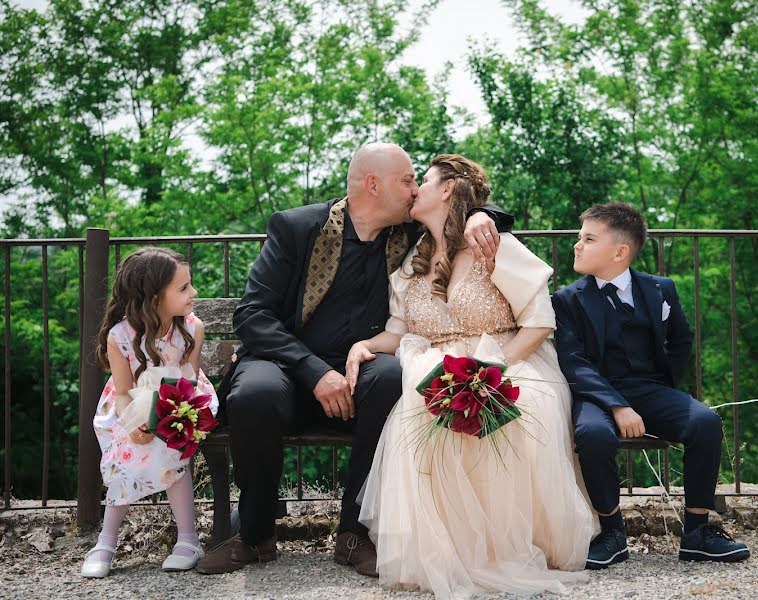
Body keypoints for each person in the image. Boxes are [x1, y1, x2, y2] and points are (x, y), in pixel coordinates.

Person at [196, 143, 512, 575]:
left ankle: (353, 533)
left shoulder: (408, 235)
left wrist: (482, 215)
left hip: (362, 367)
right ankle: (254, 536)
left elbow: (464, 213)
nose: (415, 189)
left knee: (391, 377)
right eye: (406, 180)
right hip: (286, 366)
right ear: (373, 184)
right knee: (254, 393)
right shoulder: (297, 227)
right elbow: (252, 314)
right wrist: (315, 371)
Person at [348, 154, 597, 599]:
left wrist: (492, 370)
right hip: (435, 365)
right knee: (418, 408)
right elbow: (396, 331)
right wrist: (362, 346)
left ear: (447, 189)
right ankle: (443, 552)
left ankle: (502, 545)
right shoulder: (412, 261)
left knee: (516, 410)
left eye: (421, 181)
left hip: (507, 358)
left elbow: (539, 322)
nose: (413, 191)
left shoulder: (495, 245)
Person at [552, 202, 750, 567]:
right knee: (593, 434)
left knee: (705, 421)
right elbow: (573, 361)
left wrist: (665, 389)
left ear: (620, 251)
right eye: (579, 238)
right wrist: (616, 405)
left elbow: (682, 339)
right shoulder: (567, 300)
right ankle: (612, 533)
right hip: (597, 393)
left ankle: (697, 534)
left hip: (649, 388)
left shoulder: (660, 289)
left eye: (588, 238)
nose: (577, 245)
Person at [81, 248, 218, 578]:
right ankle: (106, 541)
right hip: (128, 405)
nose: (193, 293)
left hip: (181, 400)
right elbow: (124, 392)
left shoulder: (191, 328)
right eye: (183, 288)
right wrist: (134, 424)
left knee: (171, 442)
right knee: (130, 447)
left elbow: (189, 380)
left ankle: (188, 539)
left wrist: (172, 418)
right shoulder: (120, 337)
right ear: (154, 297)